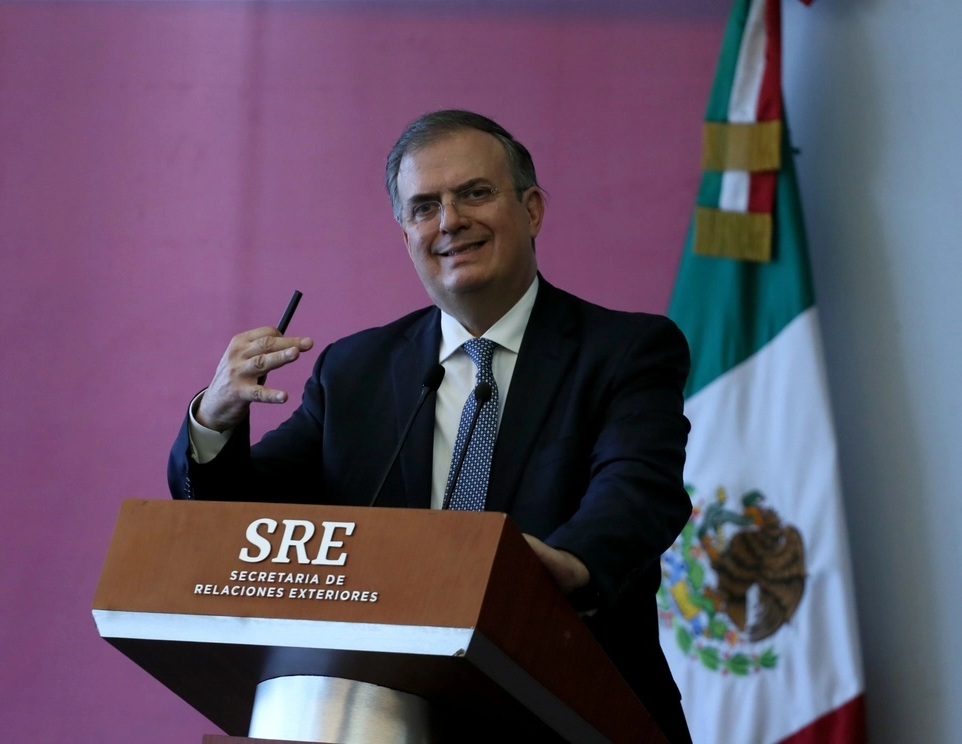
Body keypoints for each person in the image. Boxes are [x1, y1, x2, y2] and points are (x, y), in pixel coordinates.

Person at [168, 110, 693, 742]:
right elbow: (244, 521)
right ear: (406, 234)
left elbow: (639, 490)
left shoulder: (625, 350)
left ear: (531, 210)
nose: (450, 221)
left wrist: (564, 565)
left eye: (475, 193)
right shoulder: (355, 370)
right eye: (424, 207)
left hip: (571, 713)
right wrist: (214, 417)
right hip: (377, 718)